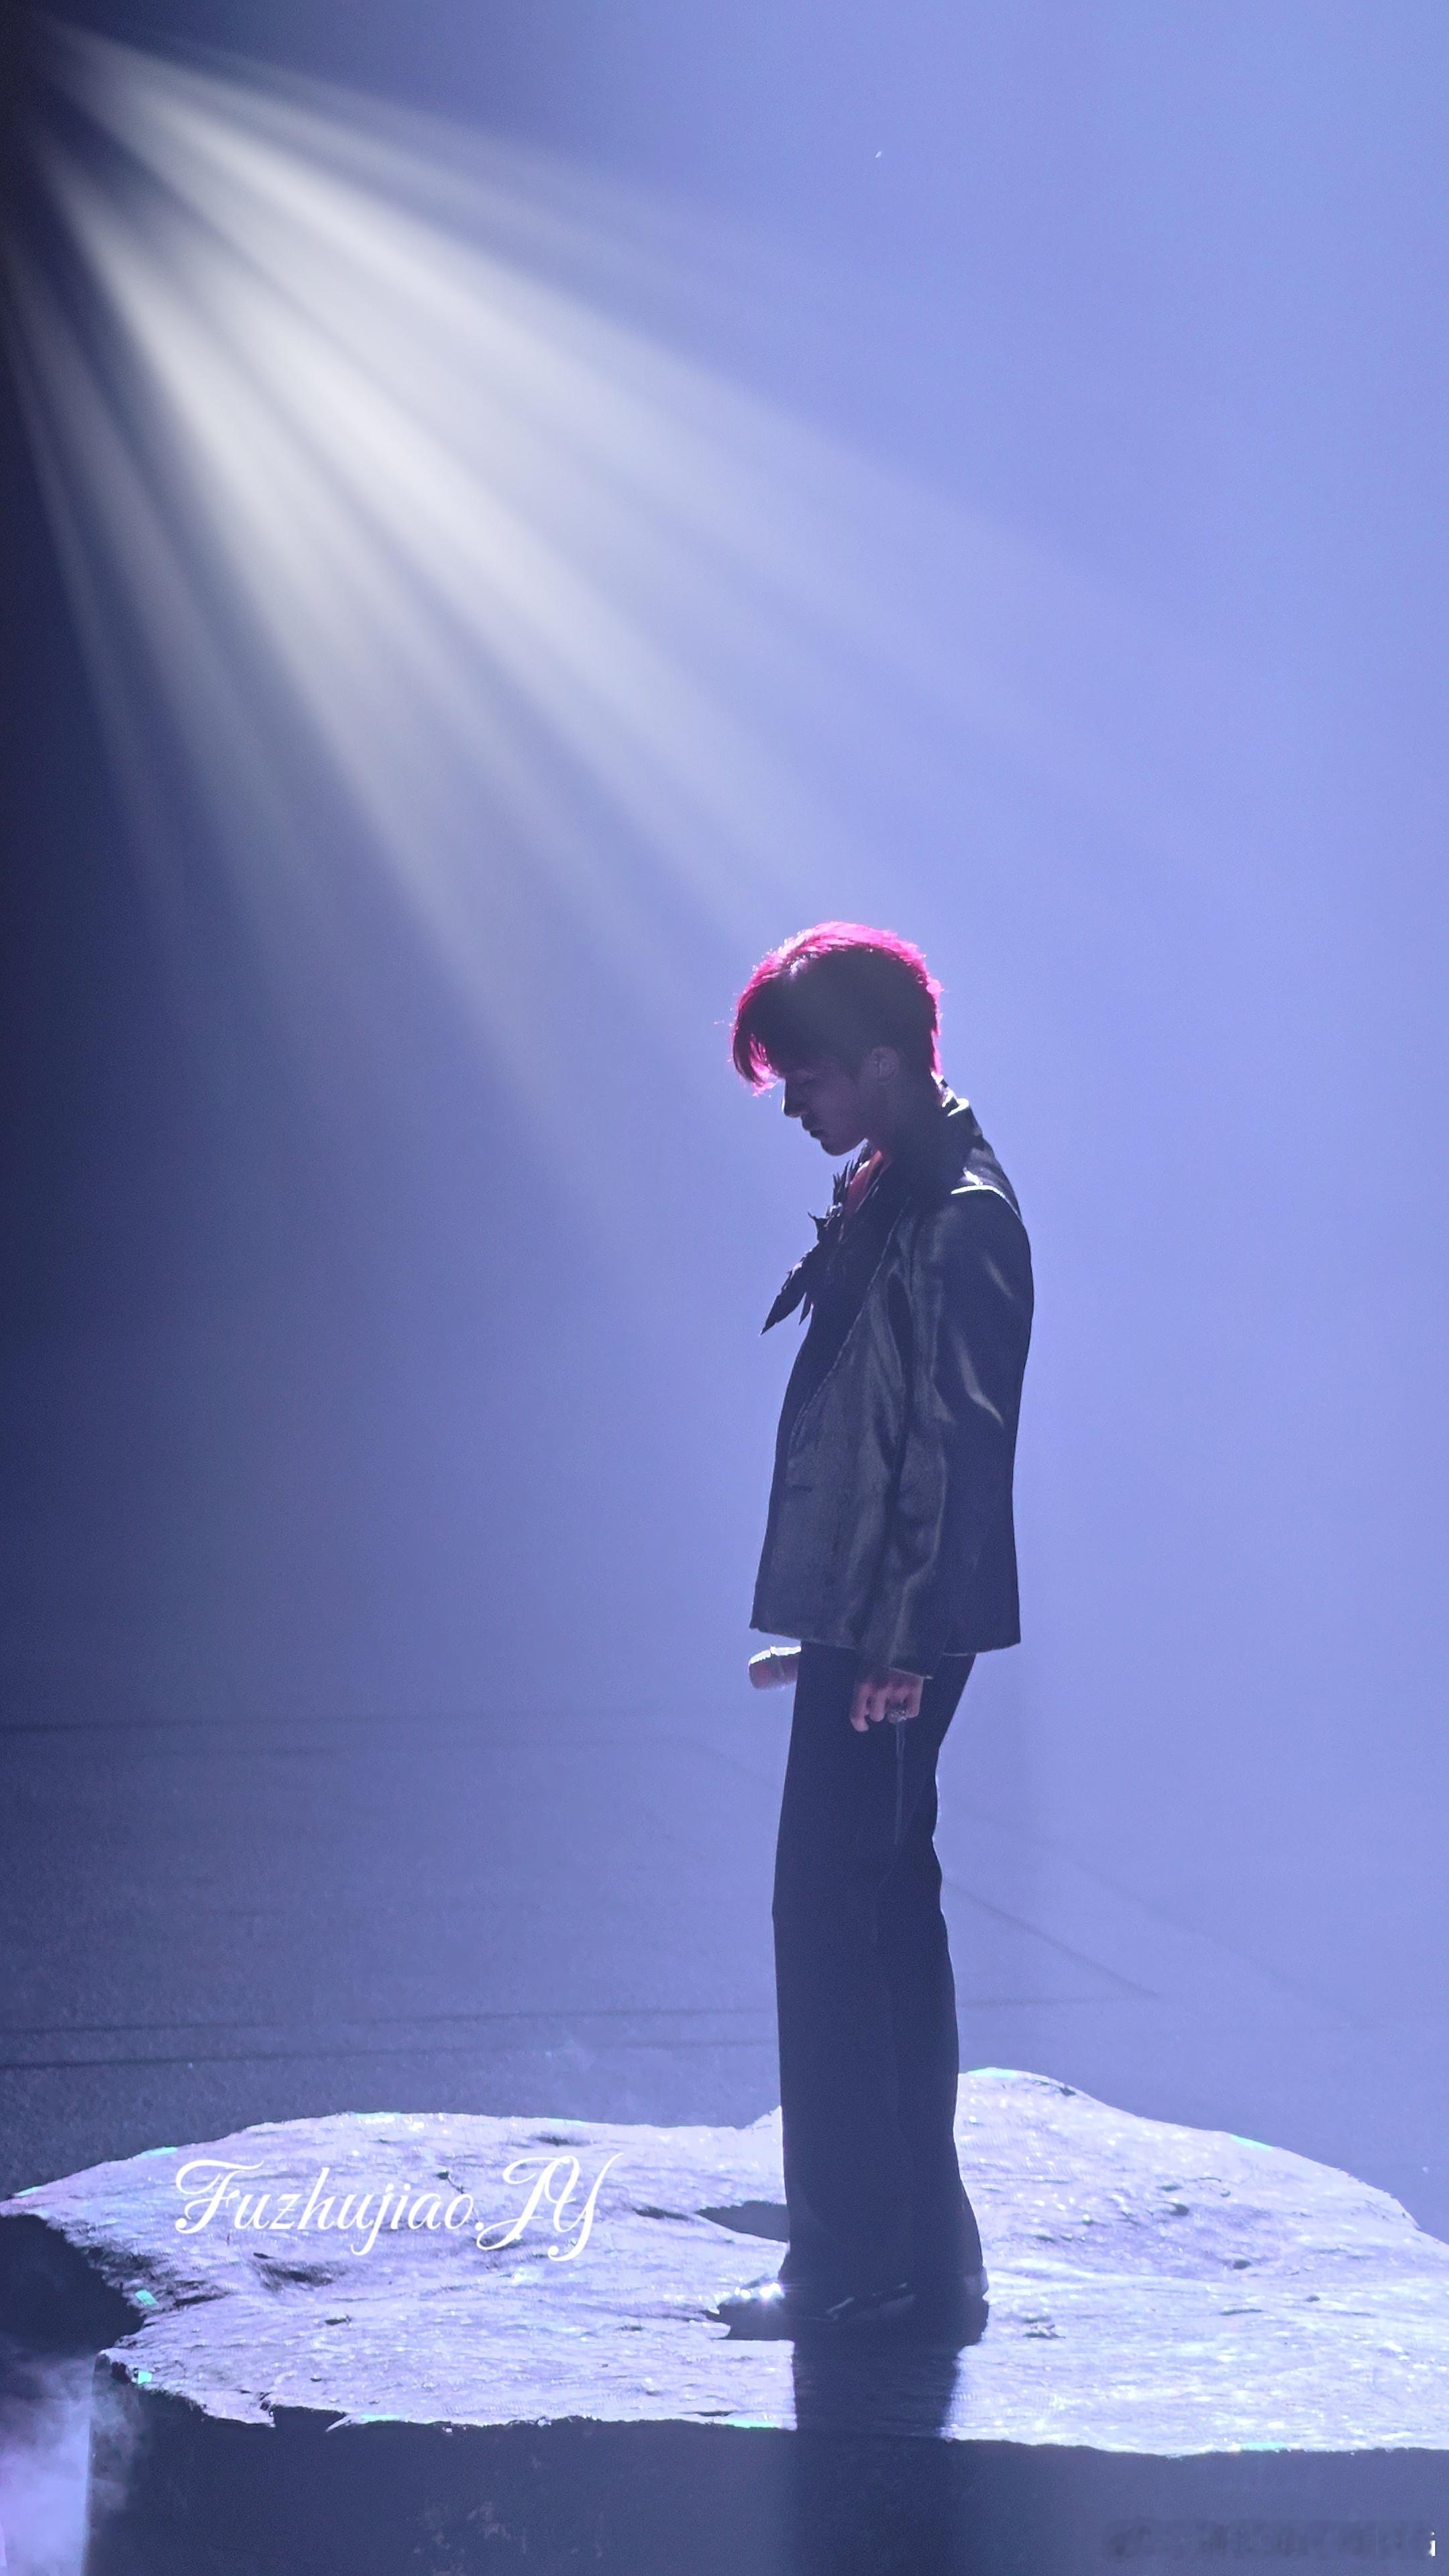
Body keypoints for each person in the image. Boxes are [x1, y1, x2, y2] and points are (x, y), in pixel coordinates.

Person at [713, 922, 1033, 2341]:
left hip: (901, 1626)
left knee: (835, 1918)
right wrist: (844, 1629)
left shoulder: (960, 1214)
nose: (795, 1106)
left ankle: (852, 2259)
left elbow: (958, 1453)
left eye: (810, 1078)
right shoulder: (900, 1188)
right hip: (878, 1618)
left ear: (887, 1064)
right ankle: (916, 2257)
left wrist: (896, 1644)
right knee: (880, 1912)